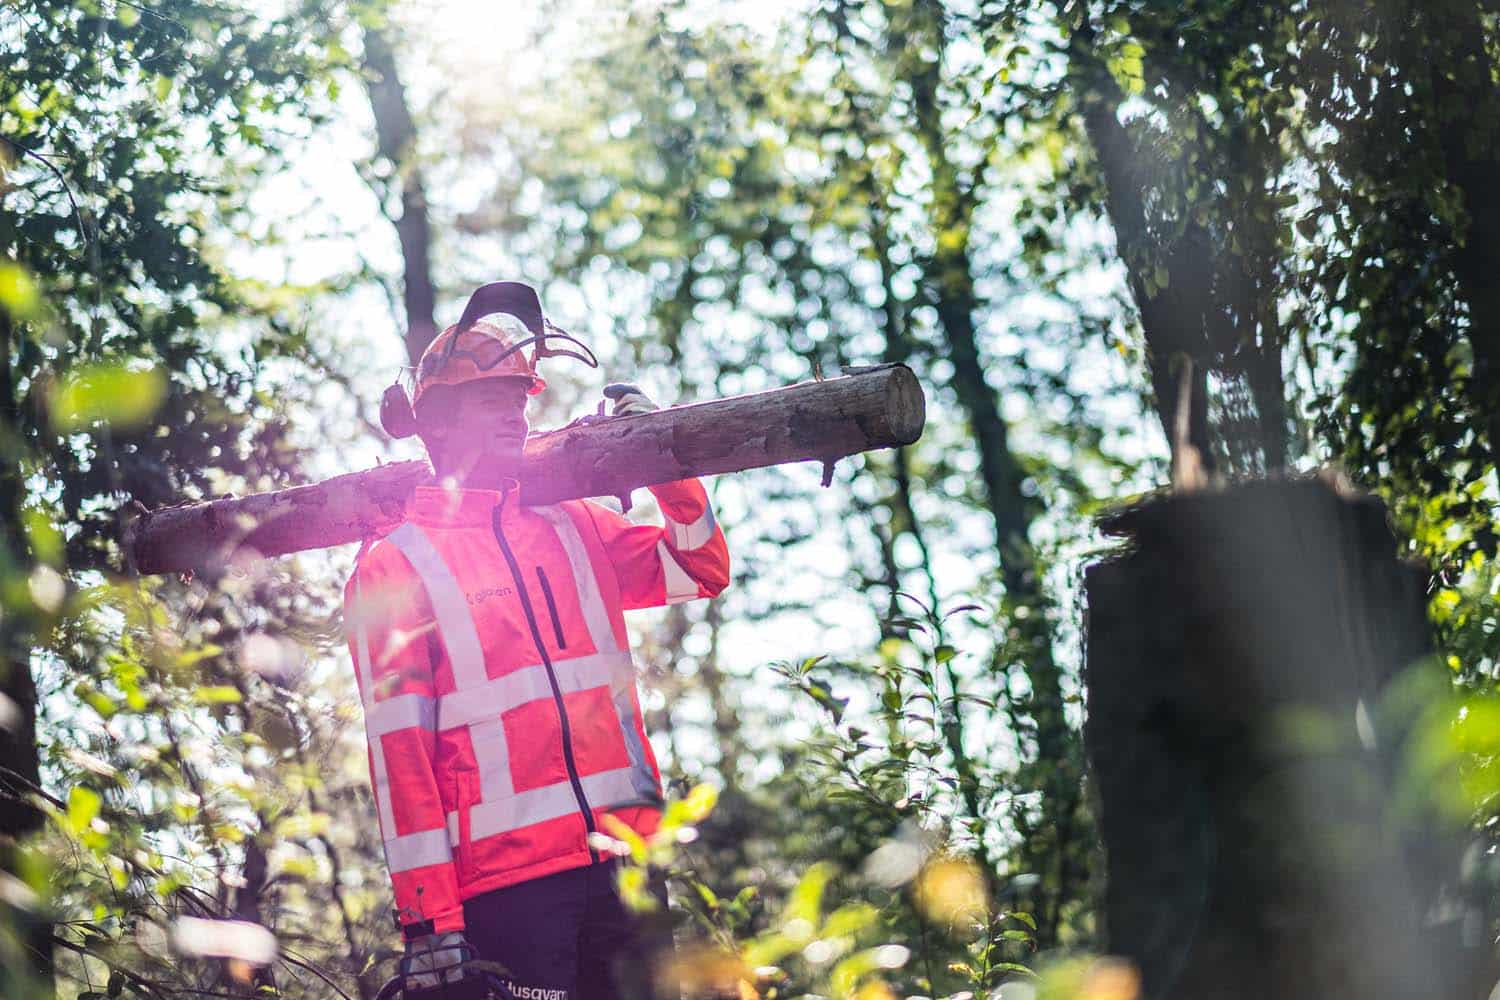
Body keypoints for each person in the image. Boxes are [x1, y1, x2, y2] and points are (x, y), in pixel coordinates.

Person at [343, 283, 730, 999]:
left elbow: (697, 567)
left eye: (519, 401)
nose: (515, 419)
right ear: (440, 424)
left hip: (630, 865)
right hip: (508, 895)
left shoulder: (575, 525)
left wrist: (665, 466)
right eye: (493, 402)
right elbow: (402, 761)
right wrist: (430, 920)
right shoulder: (395, 567)